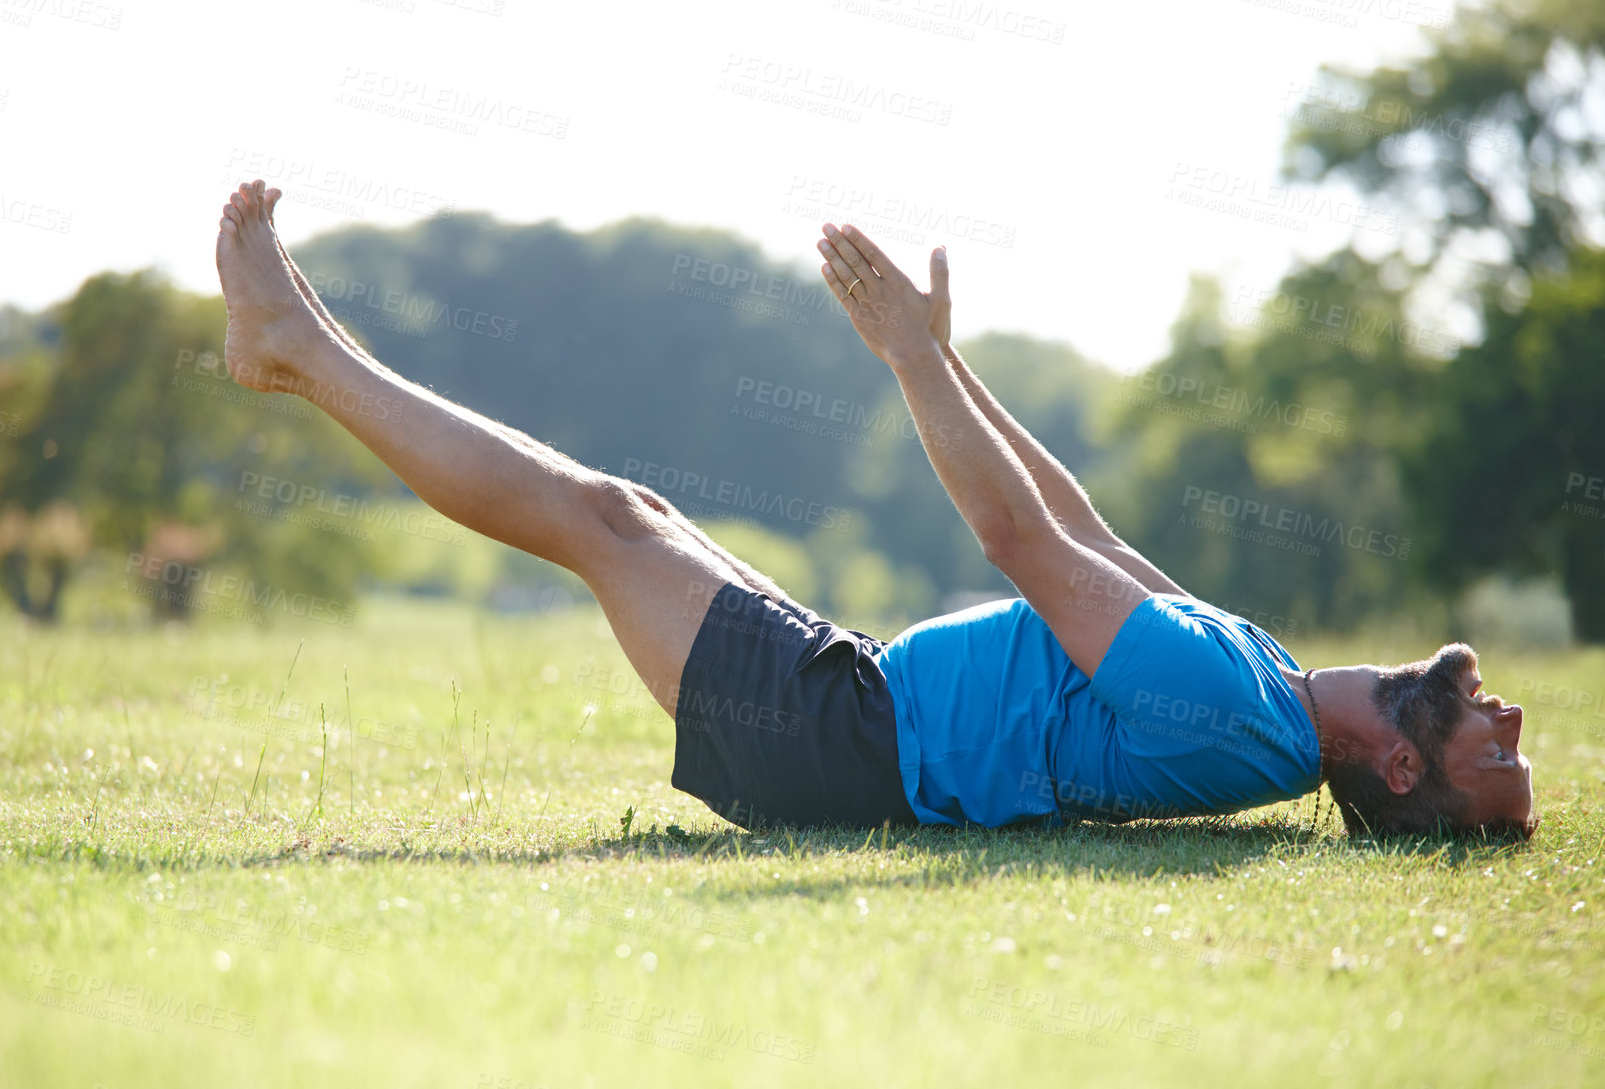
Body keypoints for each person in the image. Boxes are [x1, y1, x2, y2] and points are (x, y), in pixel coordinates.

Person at [214, 181, 1537, 840]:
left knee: (593, 519)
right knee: (627, 508)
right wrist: (945, 362)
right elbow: (1084, 529)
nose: (1511, 716)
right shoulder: (1270, 687)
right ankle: (297, 338)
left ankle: (297, 349)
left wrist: (908, 360)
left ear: (1406, 768)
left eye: (1498, 756)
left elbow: (1023, 546)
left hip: (837, 741)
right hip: (851, 699)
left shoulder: (1247, 723)